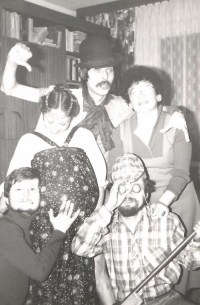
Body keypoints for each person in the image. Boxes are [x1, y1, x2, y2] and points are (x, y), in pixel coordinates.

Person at [0, 85, 108, 305]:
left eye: (63, 121)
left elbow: (100, 182)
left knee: (80, 287)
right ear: (43, 113)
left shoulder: (84, 135)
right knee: (47, 285)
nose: (57, 127)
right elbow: (11, 182)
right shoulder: (29, 140)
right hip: (45, 228)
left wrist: (94, 219)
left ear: (73, 115)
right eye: (51, 120)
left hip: (80, 227)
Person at [1, 38, 189, 162]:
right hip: (58, 174)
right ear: (84, 74)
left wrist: (177, 113)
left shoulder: (122, 104)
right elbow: (9, 88)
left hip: (101, 183)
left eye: (109, 70)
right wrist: (11, 61)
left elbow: (154, 105)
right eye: (98, 71)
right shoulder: (63, 96)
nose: (105, 76)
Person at [108, 65, 200, 295]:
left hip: (178, 199)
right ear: (128, 102)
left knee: (182, 258)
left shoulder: (177, 123)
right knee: (150, 262)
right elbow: (115, 174)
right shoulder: (120, 131)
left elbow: (181, 173)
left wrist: (164, 203)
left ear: (158, 95)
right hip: (140, 202)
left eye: (145, 88)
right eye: (133, 91)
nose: (140, 95)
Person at [72, 153, 200, 305]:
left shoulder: (167, 221)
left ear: (146, 192)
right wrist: (108, 207)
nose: (128, 193)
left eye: (135, 187)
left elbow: (192, 263)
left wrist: (197, 241)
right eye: (121, 188)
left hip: (166, 300)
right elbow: (79, 249)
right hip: (126, 302)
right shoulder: (104, 225)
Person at [0, 167, 79, 305]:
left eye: (32, 189)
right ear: (6, 199)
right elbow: (39, 272)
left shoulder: (31, 228)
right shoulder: (4, 227)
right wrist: (59, 230)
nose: (26, 194)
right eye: (18, 189)